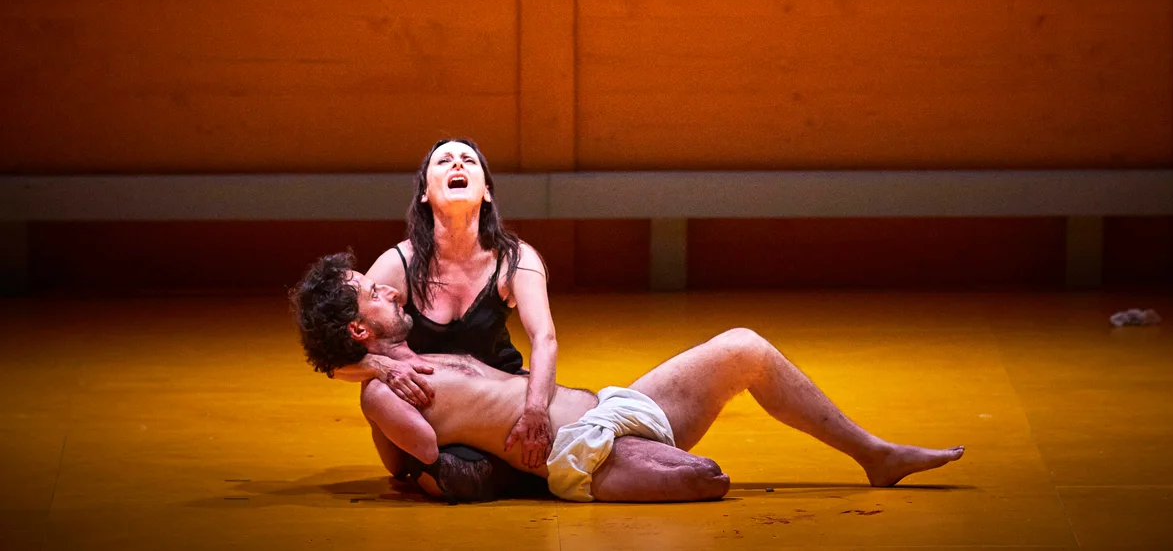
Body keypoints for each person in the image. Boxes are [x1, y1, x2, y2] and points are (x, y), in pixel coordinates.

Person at [292, 252, 966, 503]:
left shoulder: (466, 293)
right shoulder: (381, 374)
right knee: (709, 480)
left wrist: (380, 362)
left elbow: (543, 338)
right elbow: (417, 451)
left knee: (744, 346)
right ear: (359, 329)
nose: (384, 286)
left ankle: (873, 454)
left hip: (610, 404)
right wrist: (375, 380)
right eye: (370, 291)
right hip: (576, 454)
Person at [315, 139, 559, 494]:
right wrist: (382, 368)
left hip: (497, 397)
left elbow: (544, 338)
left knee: (537, 441)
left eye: (468, 161)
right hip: (436, 411)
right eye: (444, 161)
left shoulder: (515, 258)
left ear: (486, 192)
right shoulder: (397, 264)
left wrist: (535, 410)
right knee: (449, 474)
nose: (457, 165)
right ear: (425, 194)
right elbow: (334, 357)